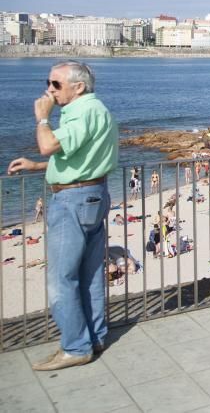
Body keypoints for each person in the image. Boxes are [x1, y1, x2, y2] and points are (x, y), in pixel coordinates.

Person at [6, 61, 118, 371]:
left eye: (55, 84)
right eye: (49, 83)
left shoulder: (83, 111)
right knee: (91, 274)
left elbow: (49, 145)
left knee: (60, 278)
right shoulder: (97, 110)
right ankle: (94, 338)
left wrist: (43, 117)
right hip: (93, 194)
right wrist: (37, 167)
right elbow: (84, 158)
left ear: (78, 87)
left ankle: (75, 347)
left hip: (73, 200)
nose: (49, 89)